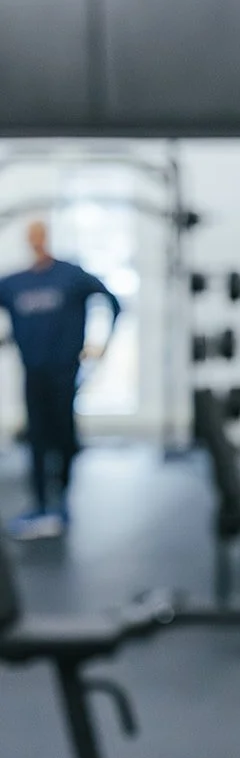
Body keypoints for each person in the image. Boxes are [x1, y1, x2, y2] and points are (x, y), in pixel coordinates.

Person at [0, 220, 121, 539]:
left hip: (63, 372)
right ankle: (41, 505)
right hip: (33, 372)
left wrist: (103, 345)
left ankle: (61, 502)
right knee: (36, 438)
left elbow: (114, 302)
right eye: (31, 236)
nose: (37, 241)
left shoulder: (71, 277)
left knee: (64, 437)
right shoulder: (14, 283)